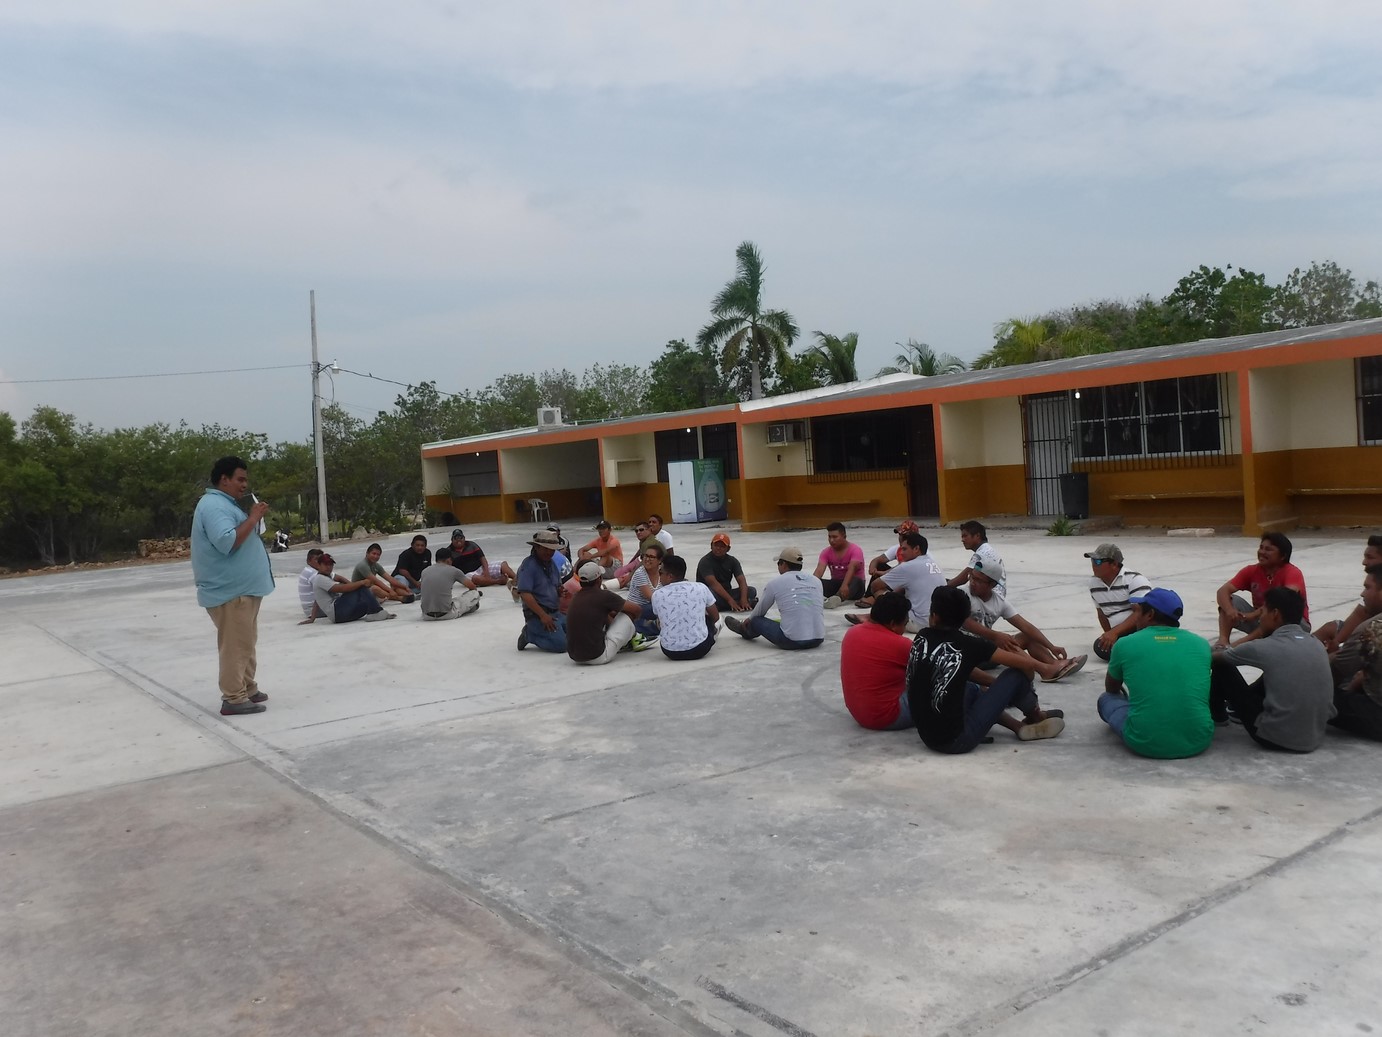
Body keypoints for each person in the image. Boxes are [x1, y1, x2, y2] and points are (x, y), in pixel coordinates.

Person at [905, 586, 1068, 753]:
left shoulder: (922, 636)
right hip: (957, 740)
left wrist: (998, 689)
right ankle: (1036, 715)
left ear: (934, 616)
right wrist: (1009, 688)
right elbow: (1025, 666)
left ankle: (1018, 727)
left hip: (927, 735)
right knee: (1016, 675)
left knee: (972, 688)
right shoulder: (970, 644)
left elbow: (958, 670)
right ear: (964, 619)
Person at [191, 456, 276, 716]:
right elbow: (227, 542)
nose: (244, 484)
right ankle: (234, 698)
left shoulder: (224, 504)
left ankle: (247, 687)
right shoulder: (214, 506)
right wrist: (253, 517)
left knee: (245, 642)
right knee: (236, 646)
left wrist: (251, 519)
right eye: (240, 479)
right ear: (224, 479)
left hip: (243, 590)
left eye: (245, 480)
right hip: (231, 592)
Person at [1210, 587, 1334, 752]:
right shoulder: (1316, 643)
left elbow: (1215, 658)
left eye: (1262, 612)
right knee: (1284, 670)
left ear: (1275, 614)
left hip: (1276, 737)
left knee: (1222, 666)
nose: (1259, 618)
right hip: (1314, 736)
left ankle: (1218, 716)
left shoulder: (1265, 647)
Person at [1098, 588, 1214, 759]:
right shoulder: (1201, 644)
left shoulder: (1124, 644)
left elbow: (1112, 688)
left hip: (1144, 741)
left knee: (1106, 699)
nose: (1136, 617)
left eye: (1138, 612)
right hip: (1198, 740)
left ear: (1150, 614)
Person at [964, 558, 1086, 677]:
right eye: (972, 577)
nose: (972, 582)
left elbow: (1026, 626)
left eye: (978, 580)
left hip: (988, 653)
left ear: (993, 584)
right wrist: (996, 636)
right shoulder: (962, 594)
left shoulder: (999, 602)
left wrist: (1051, 646)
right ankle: (1045, 670)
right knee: (1006, 642)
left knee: (1027, 636)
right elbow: (966, 622)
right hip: (964, 653)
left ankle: (1055, 663)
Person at [1215, 532, 1309, 647]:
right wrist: (1230, 610)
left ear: (1283, 556)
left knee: (1276, 613)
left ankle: (1235, 647)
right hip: (1263, 620)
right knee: (1231, 600)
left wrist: (1254, 615)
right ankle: (1223, 641)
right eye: (1261, 548)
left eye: (1268, 549)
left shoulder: (1292, 572)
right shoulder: (1251, 570)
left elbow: (1283, 602)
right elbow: (1222, 591)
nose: (1262, 552)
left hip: (1292, 624)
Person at [724, 547, 825, 650]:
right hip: (818, 638)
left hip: (792, 641)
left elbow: (760, 611)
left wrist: (749, 620)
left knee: (755, 620)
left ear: (784, 564)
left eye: (778, 563)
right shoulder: (816, 581)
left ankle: (744, 630)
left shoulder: (776, 583)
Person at [840, 593, 915, 730]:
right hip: (887, 716)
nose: (904, 630)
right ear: (893, 624)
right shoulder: (900, 644)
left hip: (859, 712)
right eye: (904, 624)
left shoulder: (852, 633)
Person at [846, 531, 945, 632]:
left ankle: (874, 618)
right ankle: (872, 615)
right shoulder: (933, 562)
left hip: (919, 622)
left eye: (904, 549)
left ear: (916, 549)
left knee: (881, 593)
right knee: (904, 590)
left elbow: (875, 585)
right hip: (937, 620)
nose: (901, 553)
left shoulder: (908, 566)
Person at [1327, 564, 1382, 741]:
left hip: (1377, 716)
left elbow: (1335, 673)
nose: (1362, 594)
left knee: (1308, 689)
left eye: (1367, 588)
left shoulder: (1371, 628)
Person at [566, 561, 646, 664]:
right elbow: (636, 609)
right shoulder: (603, 596)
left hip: (575, 656)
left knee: (608, 614)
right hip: (597, 656)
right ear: (599, 579)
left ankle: (627, 638)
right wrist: (629, 623)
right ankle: (634, 638)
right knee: (627, 614)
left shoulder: (576, 596)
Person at [1315, 536, 1382, 651]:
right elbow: (1360, 613)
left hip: (1374, 634)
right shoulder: (1373, 579)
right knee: (1330, 628)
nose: (1364, 562)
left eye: (1370, 557)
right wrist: (1337, 642)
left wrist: (1338, 645)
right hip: (1366, 628)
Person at [1086, 543, 1152, 661]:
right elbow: (1101, 613)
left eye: (1098, 561)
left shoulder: (1135, 580)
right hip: (1120, 633)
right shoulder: (1093, 583)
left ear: (1114, 564)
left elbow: (1141, 613)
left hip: (1141, 629)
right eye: (1092, 561)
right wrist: (1108, 635)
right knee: (1100, 646)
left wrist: (1114, 633)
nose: (1094, 565)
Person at [653, 555, 720, 660]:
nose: (659, 576)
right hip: (700, 649)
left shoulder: (657, 595)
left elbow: (660, 621)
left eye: (660, 572)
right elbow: (715, 617)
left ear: (670, 576)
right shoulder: (701, 587)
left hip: (670, 651)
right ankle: (709, 636)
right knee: (709, 618)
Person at [307, 552, 397, 625]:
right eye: (325, 564)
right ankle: (376, 612)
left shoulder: (327, 576)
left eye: (331, 565)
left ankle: (374, 613)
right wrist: (361, 583)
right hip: (337, 612)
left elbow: (317, 600)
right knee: (360, 586)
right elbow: (340, 589)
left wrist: (312, 618)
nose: (329, 567)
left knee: (367, 601)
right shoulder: (320, 579)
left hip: (340, 615)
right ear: (319, 565)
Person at [515, 530, 567, 652]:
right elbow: (525, 594)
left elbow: (557, 585)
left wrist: (560, 591)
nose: (549, 552)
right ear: (537, 547)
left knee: (577, 633)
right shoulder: (528, 566)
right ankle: (529, 634)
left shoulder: (551, 564)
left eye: (551, 550)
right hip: (538, 616)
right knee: (562, 646)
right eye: (545, 549)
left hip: (555, 613)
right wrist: (543, 615)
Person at [859, 520, 921, 606]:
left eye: (904, 536)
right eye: (900, 535)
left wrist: (882, 573)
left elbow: (904, 568)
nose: (900, 538)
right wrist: (872, 568)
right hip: (899, 576)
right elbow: (878, 560)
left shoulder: (918, 551)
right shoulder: (897, 548)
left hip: (911, 580)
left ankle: (877, 598)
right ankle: (870, 596)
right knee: (880, 566)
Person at [696, 532, 757, 613]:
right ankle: (736, 604)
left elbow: (742, 581)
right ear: (711, 546)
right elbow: (714, 584)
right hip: (711, 593)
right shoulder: (705, 561)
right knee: (709, 593)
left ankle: (720, 607)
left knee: (751, 590)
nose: (718, 548)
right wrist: (730, 600)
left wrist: (744, 599)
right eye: (716, 545)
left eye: (722, 546)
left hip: (726, 593)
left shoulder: (733, 561)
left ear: (728, 549)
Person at [418, 547, 482, 620]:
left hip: (426, 615)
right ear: (448, 560)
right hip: (446, 614)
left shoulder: (425, 571)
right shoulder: (454, 570)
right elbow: (472, 587)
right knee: (474, 594)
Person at [814, 521, 866, 608]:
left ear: (844, 536)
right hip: (836, 584)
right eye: (829, 537)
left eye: (835, 537)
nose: (831, 540)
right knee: (817, 582)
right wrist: (810, 585)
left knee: (856, 580)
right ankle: (834, 598)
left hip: (854, 586)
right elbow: (819, 571)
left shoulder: (855, 550)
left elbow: (852, 569)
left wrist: (845, 585)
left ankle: (836, 599)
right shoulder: (826, 552)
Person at [448, 528, 517, 592]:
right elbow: (448, 567)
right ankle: (498, 581)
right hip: (466, 574)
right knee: (476, 579)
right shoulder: (449, 551)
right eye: (456, 538)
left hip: (480, 568)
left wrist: (486, 573)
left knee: (503, 564)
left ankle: (517, 579)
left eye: (461, 538)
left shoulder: (472, 545)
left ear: (464, 538)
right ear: (452, 540)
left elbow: (482, 559)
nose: (459, 540)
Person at [945, 520, 1005, 594]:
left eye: (965, 536)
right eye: (962, 537)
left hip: (991, 594)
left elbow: (965, 577)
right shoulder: (987, 549)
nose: (962, 540)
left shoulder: (980, 554)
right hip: (999, 593)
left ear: (977, 536)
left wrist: (944, 585)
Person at [626, 541, 665, 637]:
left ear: (659, 560)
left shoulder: (663, 572)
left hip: (651, 610)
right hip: (637, 609)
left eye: (651, 557)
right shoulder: (640, 573)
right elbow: (652, 598)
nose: (647, 559)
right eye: (645, 556)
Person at [609, 522, 650, 589]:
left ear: (649, 530)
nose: (638, 532)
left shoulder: (651, 543)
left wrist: (631, 575)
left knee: (627, 581)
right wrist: (630, 563)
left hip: (645, 565)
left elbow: (645, 562)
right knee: (617, 574)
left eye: (641, 530)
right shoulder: (642, 541)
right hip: (639, 561)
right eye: (636, 531)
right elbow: (639, 552)